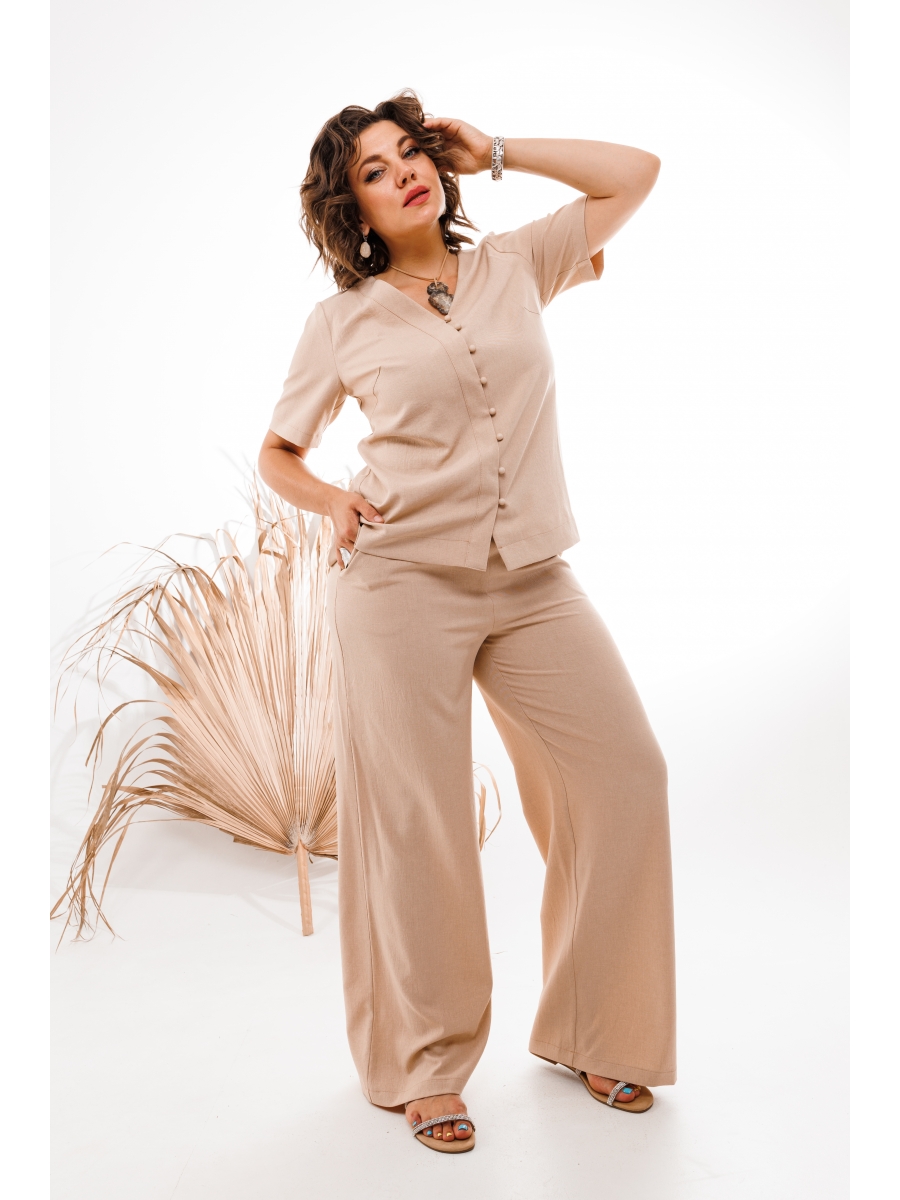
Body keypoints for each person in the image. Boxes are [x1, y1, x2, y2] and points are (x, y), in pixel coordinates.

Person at [259, 91, 674, 1155]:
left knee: (624, 775)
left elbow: (636, 172)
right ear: (350, 209)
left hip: (533, 578)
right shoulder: (342, 323)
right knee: (422, 827)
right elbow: (279, 453)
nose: (403, 172)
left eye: (410, 153)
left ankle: (595, 1029)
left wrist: (499, 152)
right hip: (399, 587)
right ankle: (425, 1065)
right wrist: (332, 501)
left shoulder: (516, 264)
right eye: (373, 170)